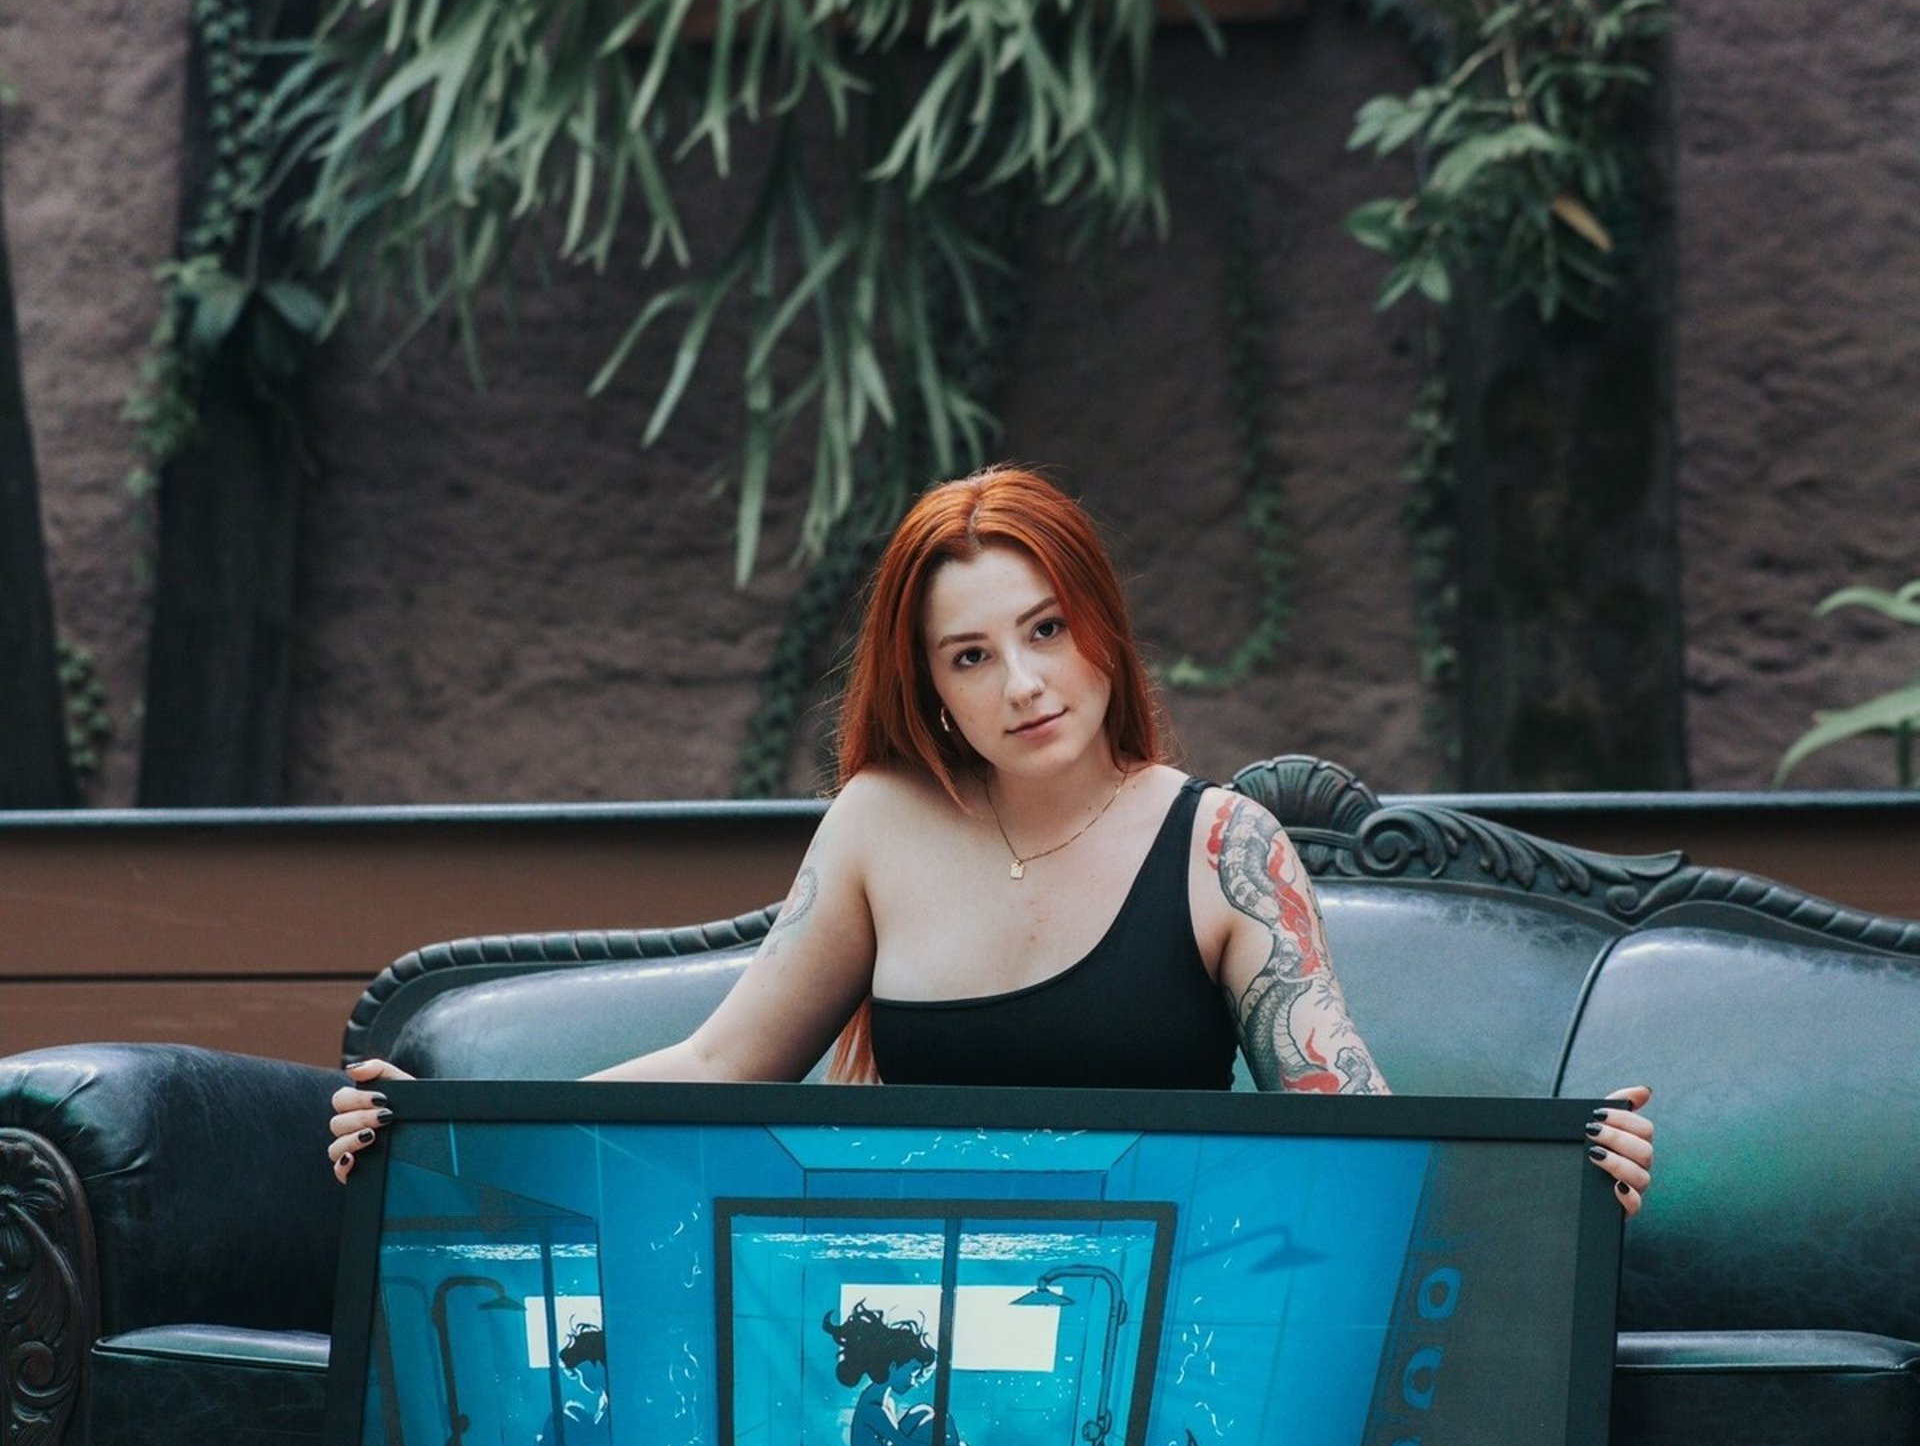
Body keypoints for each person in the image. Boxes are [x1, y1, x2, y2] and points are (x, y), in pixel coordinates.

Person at [329, 467, 1654, 1198]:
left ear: (1099, 631)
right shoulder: (880, 825)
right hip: (904, 1298)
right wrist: (445, 1121)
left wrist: (1565, 1161)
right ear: (935, 696)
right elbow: (725, 1061)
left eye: (1043, 631)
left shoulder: (1222, 846)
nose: (1021, 684)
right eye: (970, 658)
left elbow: (1355, 1123)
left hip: (1153, 1303)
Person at [821, 1300, 990, 1446]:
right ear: (892, 1366)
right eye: (912, 1371)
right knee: (937, 1424)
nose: (914, 1381)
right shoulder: (874, 1408)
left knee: (925, 1412)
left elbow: (900, 1444)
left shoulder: (881, 1398)